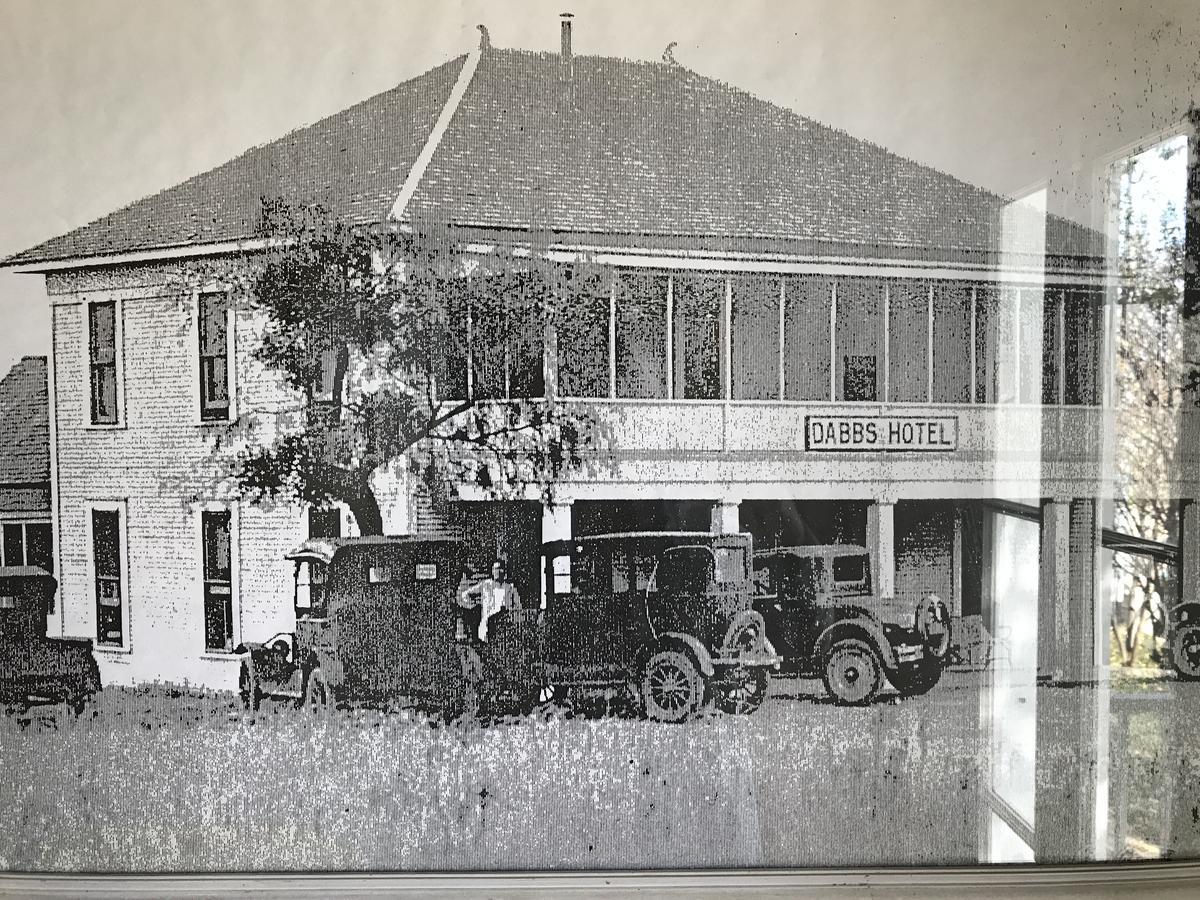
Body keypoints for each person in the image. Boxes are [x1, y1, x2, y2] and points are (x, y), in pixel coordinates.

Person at [457, 559, 523, 643]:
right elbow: (465, 594)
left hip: (504, 627)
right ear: (492, 571)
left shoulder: (510, 587)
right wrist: (472, 605)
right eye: (495, 569)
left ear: (504, 571)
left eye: (500, 569)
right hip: (487, 627)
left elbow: (518, 607)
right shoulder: (486, 585)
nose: (497, 571)